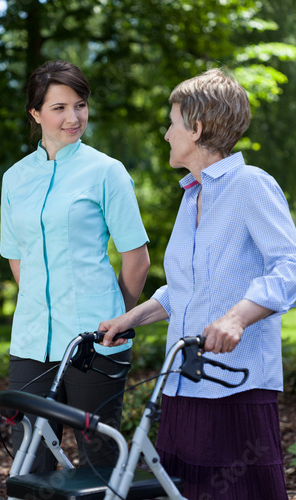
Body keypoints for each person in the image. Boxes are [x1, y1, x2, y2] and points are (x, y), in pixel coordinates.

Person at [99, 68, 296, 499]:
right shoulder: (192, 196)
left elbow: (289, 267)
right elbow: (185, 289)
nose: (167, 134)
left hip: (235, 384)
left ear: (198, 127)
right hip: (182, 383)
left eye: (172, 123)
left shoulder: (251, 186)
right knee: (181, 491)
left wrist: (238, 318)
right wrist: (129, 318)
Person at [0, 59, 150, 471]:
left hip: (94, 340)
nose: (73, 118)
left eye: (79, 105)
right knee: (30, 458)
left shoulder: (106, 172)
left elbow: (136, 258)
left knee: (99, 455)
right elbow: (16, 255)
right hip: (31, 340)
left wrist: (114, 318)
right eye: (59, 107)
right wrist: (38, 303)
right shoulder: (14, 179)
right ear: (35, 113)